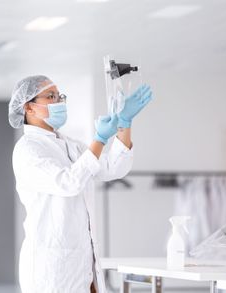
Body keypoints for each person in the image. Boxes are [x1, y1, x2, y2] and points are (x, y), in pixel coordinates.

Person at [8, 75, 153, 293]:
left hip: (82, 263)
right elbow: (68, 182)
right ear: (29, 107)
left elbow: (113, 167)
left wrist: (124, 123)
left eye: (60, 96)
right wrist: (100, 140)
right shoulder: (28, 149)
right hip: (52, 269)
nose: (59, 101)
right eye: (51, 96)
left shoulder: (69, 145)